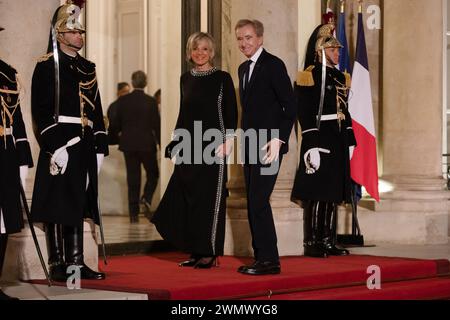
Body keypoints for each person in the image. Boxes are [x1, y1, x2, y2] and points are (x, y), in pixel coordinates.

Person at [30, 0, 108, 282]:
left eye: (82, 32)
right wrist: (54, 146)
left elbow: (96, 108)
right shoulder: (46, 66)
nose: (80, 36)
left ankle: (75, 264)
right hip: (61, 144)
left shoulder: (88, 67)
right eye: (74, 32)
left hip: (85, 144)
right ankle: (57, 263)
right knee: (57, 203)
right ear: (60, 34)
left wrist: (101, 145)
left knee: (77, 203)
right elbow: (40, 110)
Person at [151, 32, 237, 269]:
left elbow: (231, 111)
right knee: (185, 199)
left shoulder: (222, 78)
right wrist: (175, 141)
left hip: (214, 147)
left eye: (205, 49)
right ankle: (194, 250)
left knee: (208, 201)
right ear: (189, 52)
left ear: (212, 52)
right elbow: (184, 114)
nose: (200, 53)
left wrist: (229, 139)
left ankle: (209, 252)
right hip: (189, 145)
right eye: (196, 49)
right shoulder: (185, 79)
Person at [235, 20, 296, 275]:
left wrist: (280, 139)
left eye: (248, 38)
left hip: (270, 144)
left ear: (260, 38)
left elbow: (290, 106)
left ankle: (270, 260)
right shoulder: (242, 69)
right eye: (240, 39)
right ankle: (262, 256)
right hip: (249, 143)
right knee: (253, 201)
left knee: (259, 200)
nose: (244, 43)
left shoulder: (273, 65)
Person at [291, 24, 356, 258]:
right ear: (321, 51)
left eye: (338, 50)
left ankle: (329, 239)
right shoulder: (309, 75)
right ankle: (313, 241)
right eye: (333, 50)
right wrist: (311, 143)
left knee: (333, 191)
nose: (338, 53)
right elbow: (305, 112)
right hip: (320, 136)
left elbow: (344, 110)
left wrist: (350, 138)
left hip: (337, 136)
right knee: (318, 192)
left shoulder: (339, 77)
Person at [0, 26, 34, 300]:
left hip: (6, 154)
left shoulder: (6, 72)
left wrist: (23, 159)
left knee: (3, 223)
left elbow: (17, 118)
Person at [113, 71, 160, 223]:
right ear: (145, 83)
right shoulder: (151, 101)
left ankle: (133, 213)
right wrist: (160, 142)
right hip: (147, 144)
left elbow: (115, 122)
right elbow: (156, 125)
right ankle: (145, 199)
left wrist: (119, 136)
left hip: (129, 144)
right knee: (153, 174)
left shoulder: (123, 101)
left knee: (133, 178)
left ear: (132, 83)